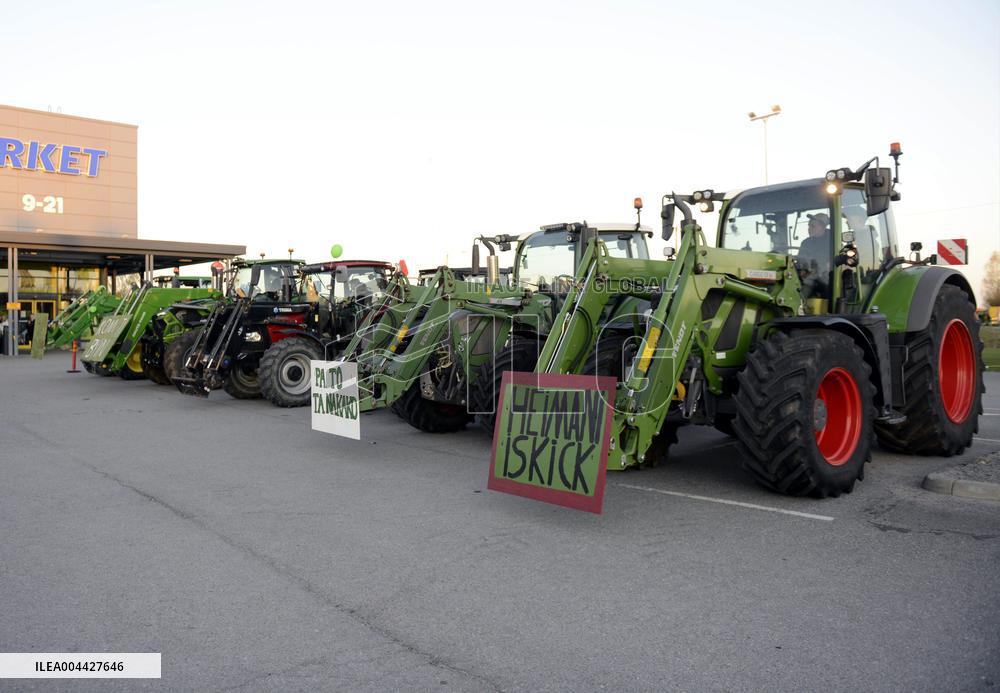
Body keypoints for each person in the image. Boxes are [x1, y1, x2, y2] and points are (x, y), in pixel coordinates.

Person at [797, 212, 831, 298]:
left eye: (813, 226)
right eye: (809, 226)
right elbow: (800, 262)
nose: (809, 229)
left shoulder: (833, 239)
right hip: (809, 277)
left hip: (826, 278)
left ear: (822, 226)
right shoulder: (806, 243)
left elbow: (835, 261)